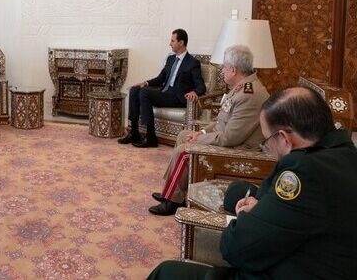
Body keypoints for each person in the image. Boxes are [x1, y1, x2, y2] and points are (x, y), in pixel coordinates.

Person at [147, 86, 357, 280]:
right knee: (236, 191)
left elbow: (234, 247)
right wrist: (261, 205)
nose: (268, 149)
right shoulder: (345, 153)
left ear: (284, 139)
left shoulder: (303, 173)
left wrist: (247, 215)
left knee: (166, 272)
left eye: (267, 141)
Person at [148, 45, 269, 215]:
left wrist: (198, 140)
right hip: (229, 139)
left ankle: (172, 201)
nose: (222, 71)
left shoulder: (249, 95)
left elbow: (230, 138)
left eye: (224, 67)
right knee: (184, 135)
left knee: (184, 151)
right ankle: (172, 190)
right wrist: (201, 133)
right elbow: (221, 121)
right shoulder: (242, 87)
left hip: (239, 150)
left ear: (233, 70)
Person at [118, 28, 206, 147]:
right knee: (135, 90)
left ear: (181, 42)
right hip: (165, 92)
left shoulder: (192, 62)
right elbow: (160, 78)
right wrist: (145, 83)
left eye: (172, 41)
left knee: (145, 93)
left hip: (177, 97)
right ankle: (134, 132)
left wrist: (194, 92)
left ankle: (151, 137)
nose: (170, 43)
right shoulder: (171, 59)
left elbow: (201, 86)